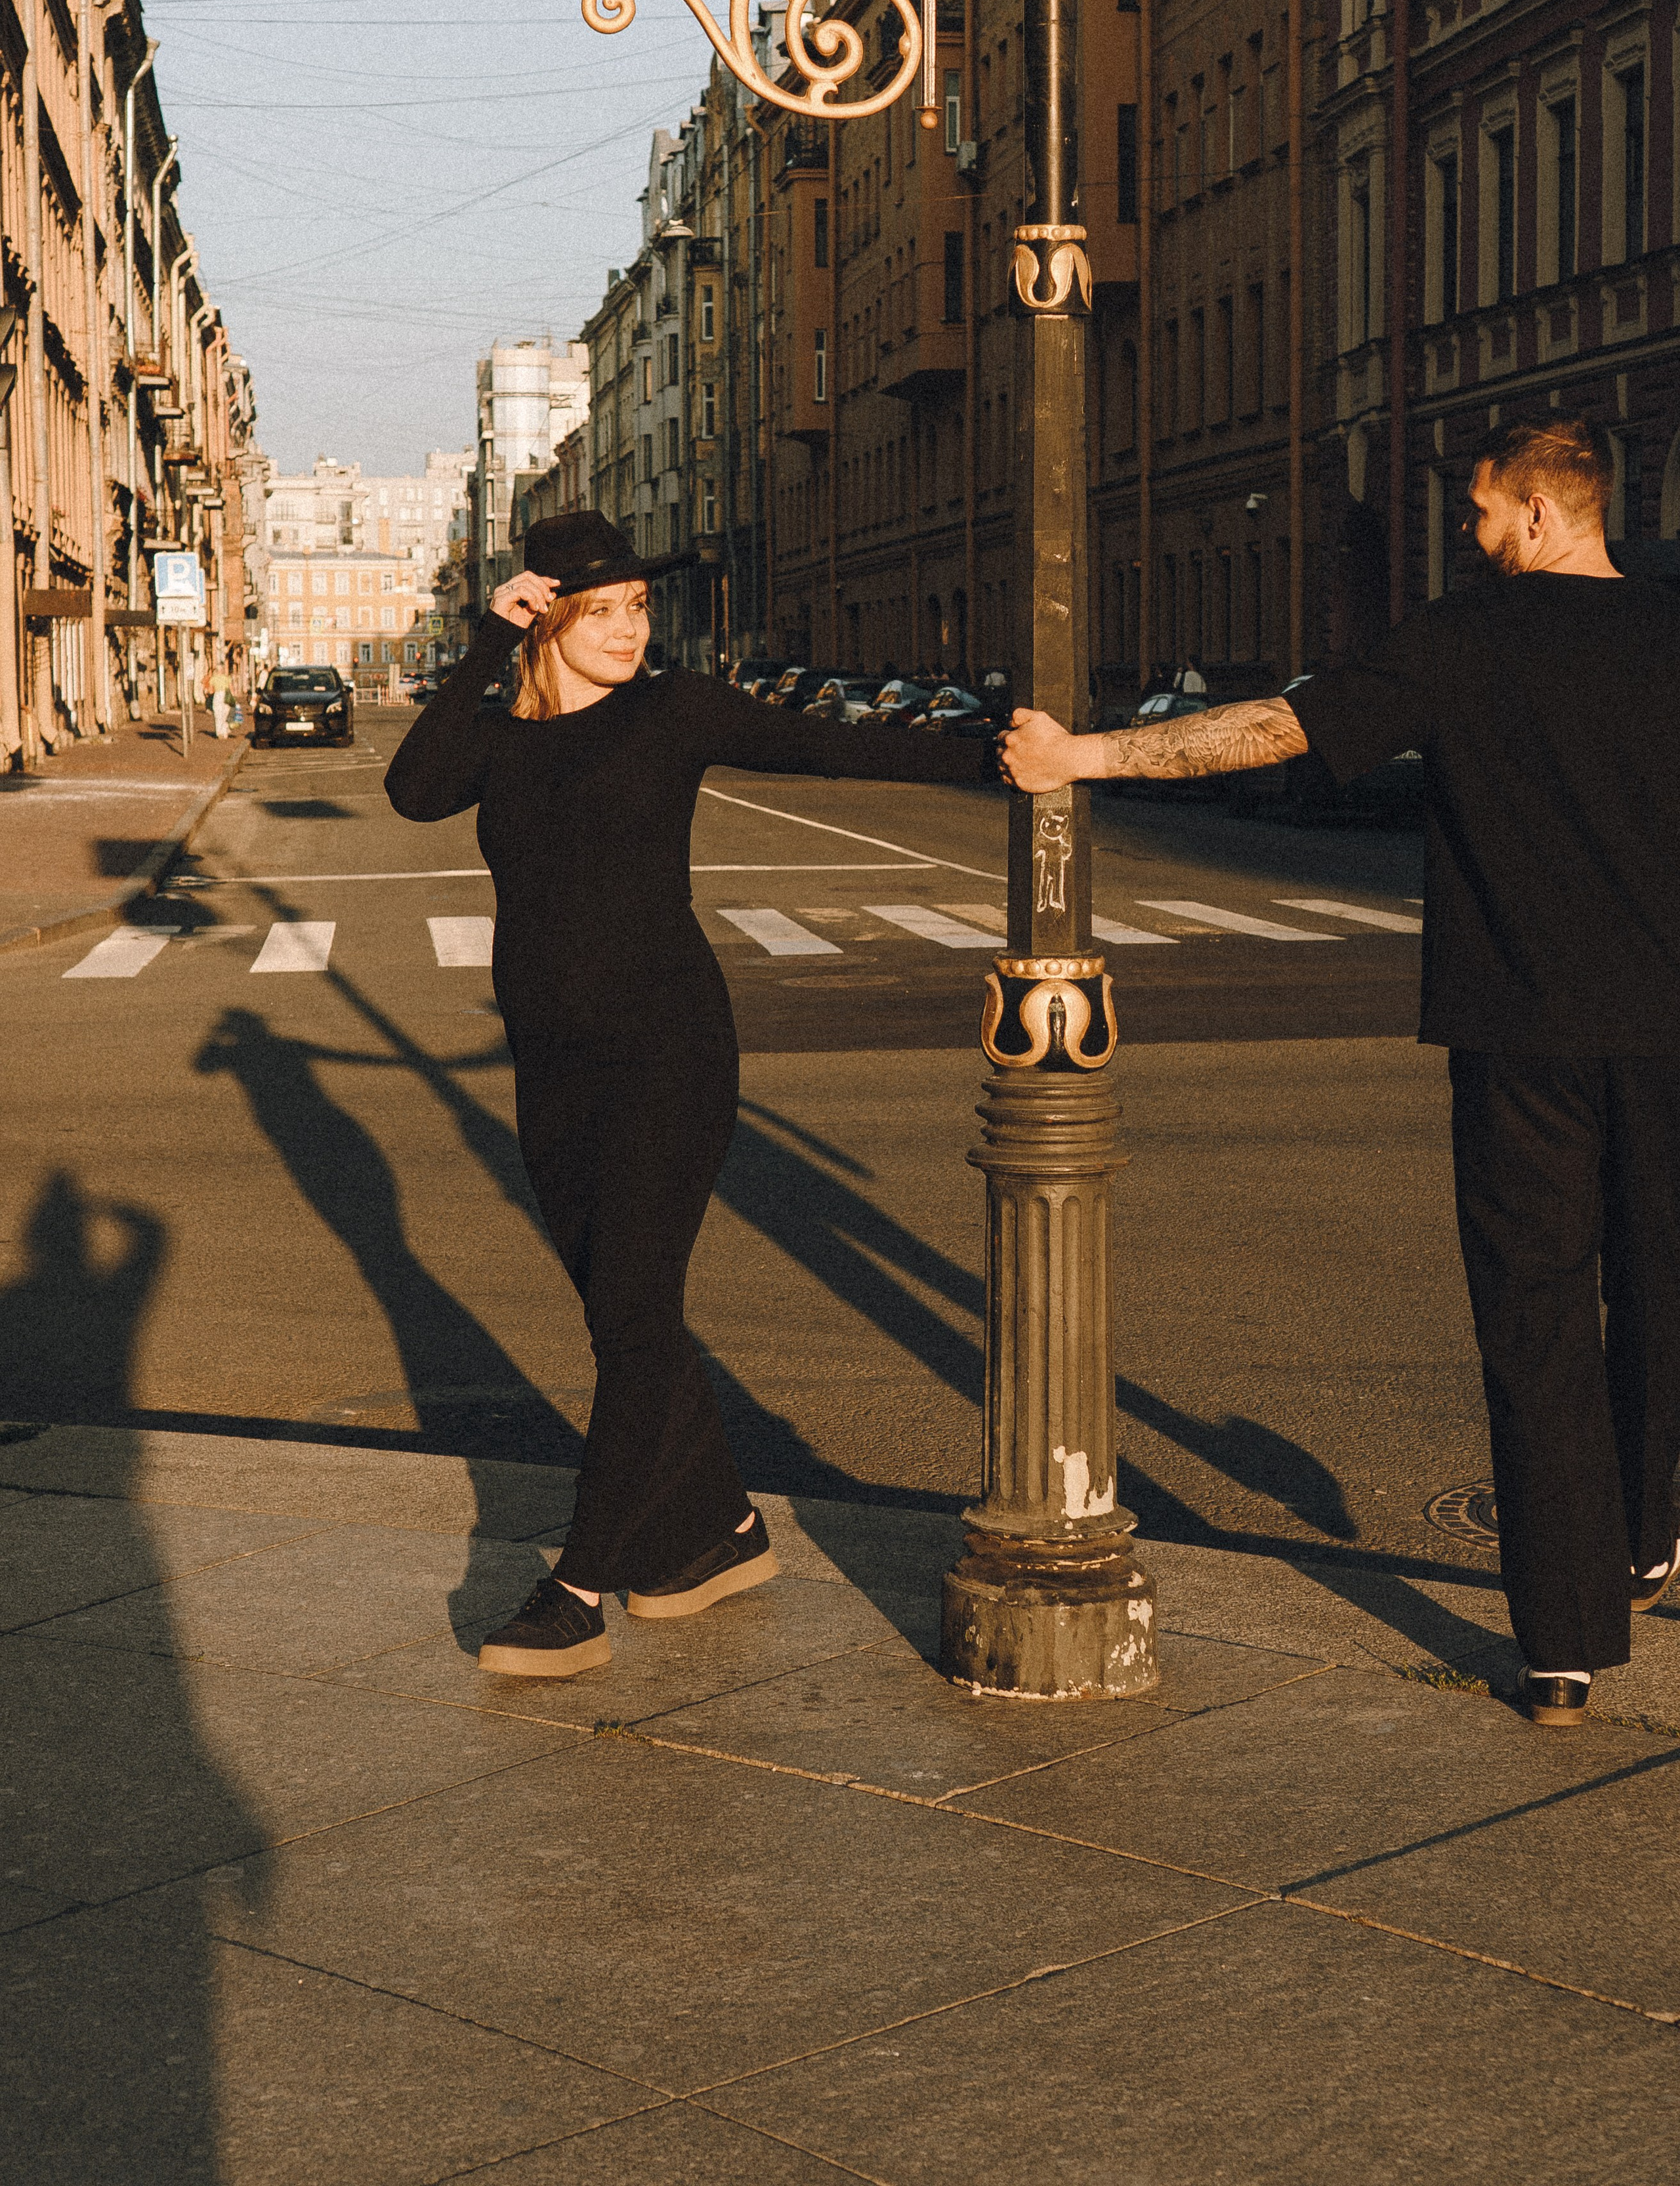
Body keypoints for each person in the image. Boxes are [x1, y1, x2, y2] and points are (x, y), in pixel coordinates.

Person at [1000, 419, 1680, 1729]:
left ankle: (1561, 1646)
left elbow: (1274, 732)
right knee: (1660, 1290)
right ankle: (1647, 1532)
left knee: (1531, 1323)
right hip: (1671, 1025)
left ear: (1537, 513)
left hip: (1516, 1034)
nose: (1473, 537)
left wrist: (1080, 758)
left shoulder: (1458, 638)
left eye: (1482, 514)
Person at [385, 510, 992, 1679]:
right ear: (545, 616)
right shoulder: (502, 734)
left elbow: (828, 747)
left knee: (633, 1311)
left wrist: (997, 754)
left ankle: (578, 1583)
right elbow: (415, 792)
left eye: (637, 608)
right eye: (600, 610)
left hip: (669, 1051)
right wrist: (479, 642)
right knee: (628, 1317)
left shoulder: (674, 711)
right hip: (553, 1068)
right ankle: (716, 1531)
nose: (626, 629)